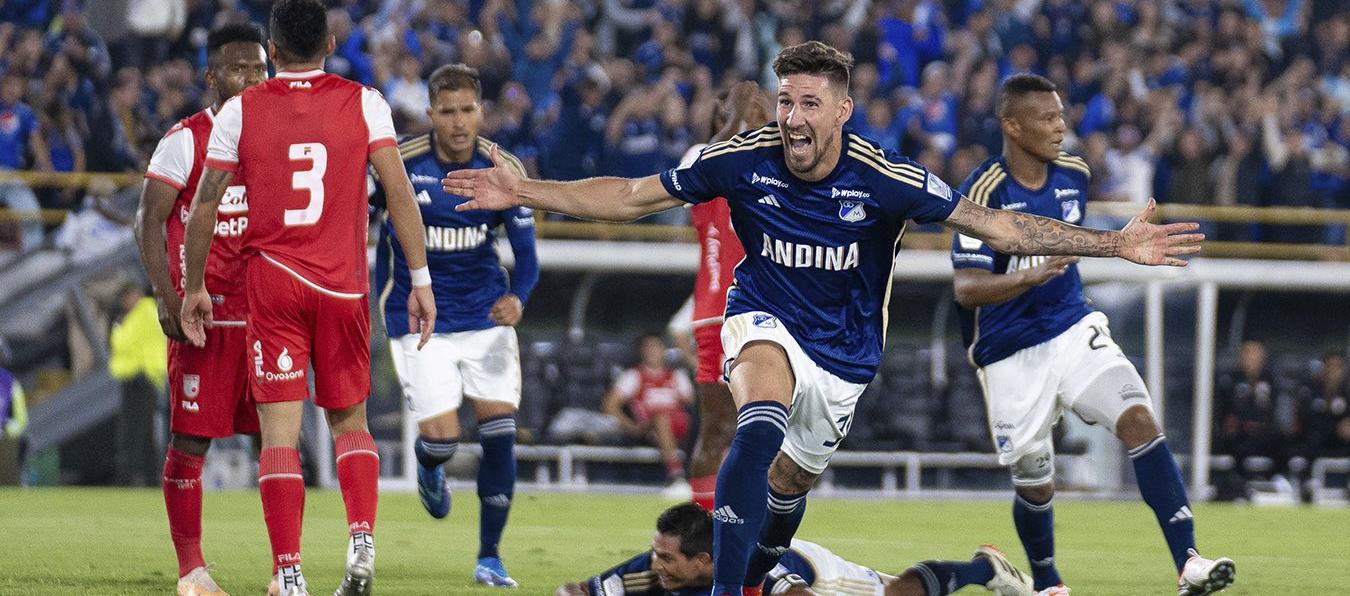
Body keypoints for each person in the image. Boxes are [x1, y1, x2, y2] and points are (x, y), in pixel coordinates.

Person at [443, 41, 1202, 596]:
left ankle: (761, 562)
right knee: (759, 413)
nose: (793, 118)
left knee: (788, 488)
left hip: (844, 359)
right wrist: (527, 191)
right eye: (785, 102)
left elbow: (999, 227)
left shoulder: (884, 176)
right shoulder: (741, 158)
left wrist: (1114, 243)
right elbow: (633, 194)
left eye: (809, 104)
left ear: (841, 109)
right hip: (763, 316)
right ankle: (727, 591)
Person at [179, 1, 436, 594]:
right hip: (343, 285)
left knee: (279, 435)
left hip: (273, 285)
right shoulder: (365, 102)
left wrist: (194, 287)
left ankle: (290, 574)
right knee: (352, 423)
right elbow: (399, 193)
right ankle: (362, 539)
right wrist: (420, 281)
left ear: (271, 48)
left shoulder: (241, 110)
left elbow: (207, 203)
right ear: (330, 40)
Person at [948, 74, 1234, 596]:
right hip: (1009, 352)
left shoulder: (1074, 174)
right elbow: (967, 288)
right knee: (1035, 482)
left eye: (1062, 115)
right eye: (1048, 118)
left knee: (1139, 418)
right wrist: (1027, 276)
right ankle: (1049, 581)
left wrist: (1118, 245)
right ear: (1012, 126)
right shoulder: (982, 191)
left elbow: (1078, 242)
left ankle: (1188, 561)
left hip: (1073, 326)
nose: (1061, 127)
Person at [371, 62, 538, 588]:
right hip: (417, 316)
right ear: (431, 114)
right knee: (443, 440)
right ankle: (430, 462)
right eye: (448, 111)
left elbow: (528, 257)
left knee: (500, 432)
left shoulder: (503, 166)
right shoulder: (400, 163)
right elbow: (362, 219)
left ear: (481, 111)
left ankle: (490, 556)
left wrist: (519, 297)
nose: (459, 121)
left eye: (468, 109)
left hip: (485, 313)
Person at [135, 21, 268, 596]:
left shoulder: (278, 140)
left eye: (261, 68)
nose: (252, 79)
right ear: (212, 76)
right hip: (205, 318)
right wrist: (167, 295)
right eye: (239, 69)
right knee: (191, 440)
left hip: (268, 317)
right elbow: (149, 220)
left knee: (277, 439)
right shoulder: (186, 139)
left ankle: (283, 570)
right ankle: (191, 570)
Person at [554, 502, 1035, 596]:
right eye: (655, 553)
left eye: (665, 558)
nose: (655, 565)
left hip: (816, 576)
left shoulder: (754, 572)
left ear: (704, 563)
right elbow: (575, 592)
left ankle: (982, 568)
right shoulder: (661, 567)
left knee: (900, 593)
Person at [678, 83, 768, 510]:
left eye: (762, 113)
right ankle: (699, 531)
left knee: (763, 430)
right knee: (717, 428)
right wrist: (737, 113)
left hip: (770, 310)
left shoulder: (776, 165)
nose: (757, 120)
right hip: (719, 312)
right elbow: (719, 153)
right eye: (748, 113)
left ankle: (745, 530)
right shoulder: (699, 156)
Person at [603, 333, 696, 493]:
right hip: (650, 427)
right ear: (641, 351)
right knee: (661, 418)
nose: (652, 352)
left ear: (663, 350)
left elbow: (693, 402)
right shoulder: (634, 376)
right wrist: (631, 426)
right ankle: (676, 476)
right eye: (648, 348)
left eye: (656, 347)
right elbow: (610, 405)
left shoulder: (676, 376)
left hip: (681, 425)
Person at [108, 283, 168, 488]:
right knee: (139, 430)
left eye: (127, 296)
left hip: (143, 375)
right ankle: (146, 477)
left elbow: (131, 342)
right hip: (133, 376)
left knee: (136, 431)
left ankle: (135, 477)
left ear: (136, 294)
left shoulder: (146, 312)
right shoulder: (132, 315)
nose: (125, 301)